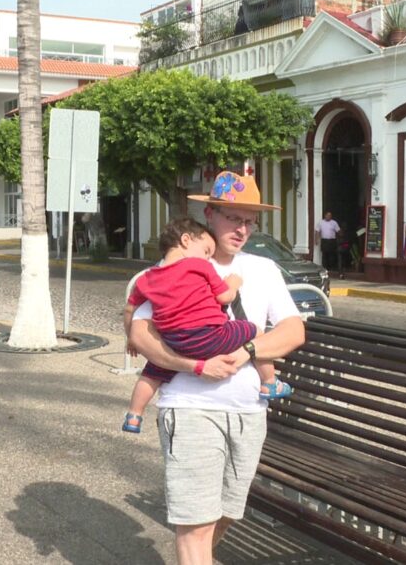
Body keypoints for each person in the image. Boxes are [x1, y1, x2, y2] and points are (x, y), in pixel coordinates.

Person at [128, 171, 305, 565]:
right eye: (232, 218)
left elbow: (293, 332)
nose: (242, 229)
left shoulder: (262, 269)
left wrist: (247, 350)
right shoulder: (171, 268)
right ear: (209, 215)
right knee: (196, 523)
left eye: (249, 220)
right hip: (190, 408)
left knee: (225, 513)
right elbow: (141, 336)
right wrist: (193, 365)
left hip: (248, 413)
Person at [121, 217, 291, 434]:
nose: (208, 257)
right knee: (254, 331)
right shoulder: (198, 265)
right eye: (206, 250)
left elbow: (129, 310)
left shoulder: (146, 279)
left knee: (152, 372)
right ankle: (270, 381)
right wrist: (234, 282)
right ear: (185, 240)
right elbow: (225, 297)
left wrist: (129, 339)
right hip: (209, 336)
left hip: (173, 341)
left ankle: (134, 415)